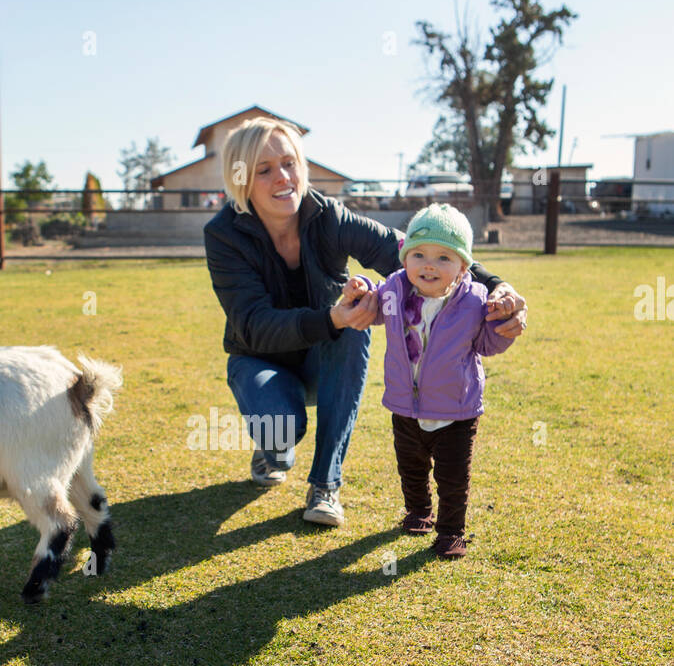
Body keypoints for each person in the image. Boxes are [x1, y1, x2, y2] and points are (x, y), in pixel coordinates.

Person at [203, 116, 527, 528]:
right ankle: (272, 451)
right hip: (259, 360)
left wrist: (498, 286)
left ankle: (324, 485)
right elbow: (252, 323)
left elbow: (412, 250)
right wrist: (330, 317)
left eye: (289, 163)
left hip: (326, 358)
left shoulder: (327, 216)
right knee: (281, 435)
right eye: (264, 170)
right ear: (242, 180)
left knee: (353, 333)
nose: (283, 177)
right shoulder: (224, 234)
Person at [342, 202, 514, 558]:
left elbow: (487, 344)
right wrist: (360, 290)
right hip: (405, 407)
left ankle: (451, 531)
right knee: (412, 469)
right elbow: (373, 304)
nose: (429, 265)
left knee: (453, 480)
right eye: (418, 254)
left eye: (444, 258)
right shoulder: (393, 291)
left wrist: (501, 325)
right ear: (405, 259)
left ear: (464, 267)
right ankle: (418, 511)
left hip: (456, 411)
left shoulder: (475, 302)